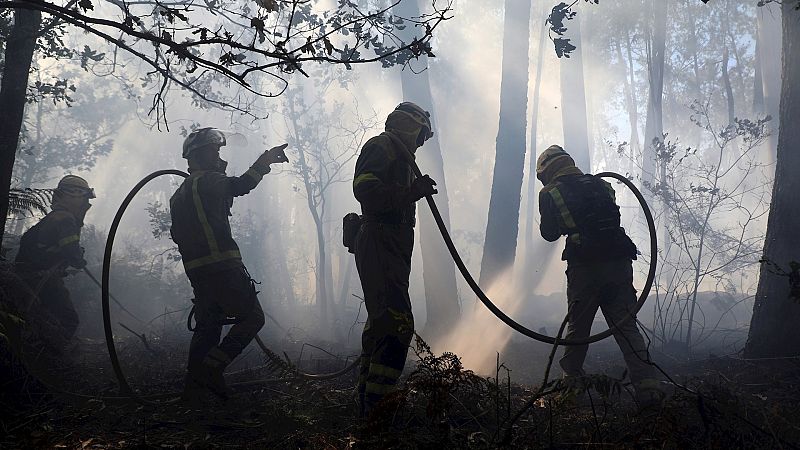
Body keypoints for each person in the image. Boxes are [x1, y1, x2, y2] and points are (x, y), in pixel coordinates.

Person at [536, 145, 662, 407]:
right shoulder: (602, 185)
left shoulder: (550, 192)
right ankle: (649, 391)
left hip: (585, 267)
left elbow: (549, 234)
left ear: (547, 171)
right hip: (619, 261)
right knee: (626, 325)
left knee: (578, 329)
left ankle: (571, 392)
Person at [169, 127, 288, 401]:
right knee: (253, 318)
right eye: (215, 150)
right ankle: (211, 370)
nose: (219, 156)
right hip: (223, 268)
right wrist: (265, 161)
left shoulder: (179, 195)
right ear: (200, 155)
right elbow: (240, 185)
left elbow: (177, 235)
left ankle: (193, 389)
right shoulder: (208, 181)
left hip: (198, 272)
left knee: (208, 325)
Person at [352, 102, 438, 416]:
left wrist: (410, 190)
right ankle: (378, 411)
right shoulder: (382, 146)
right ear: (408, 125)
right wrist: (410, 191)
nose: (421, 143)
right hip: (381, 239)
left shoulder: (398, 154)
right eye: (421, 135)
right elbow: (365, 191)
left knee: (381, 323)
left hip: (391, 242)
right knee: (398, 325)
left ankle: (367, 402)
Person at [14, 175, 94, 353]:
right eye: (84, 197)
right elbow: (71, 252)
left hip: (28, 278)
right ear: (73, 195)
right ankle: (49, 358)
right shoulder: (64, 219)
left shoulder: (55, 217)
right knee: (68, 319)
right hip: (41, 279)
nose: (85, 203)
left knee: (40, 317)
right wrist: (78, 257)